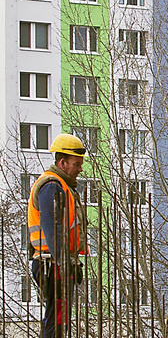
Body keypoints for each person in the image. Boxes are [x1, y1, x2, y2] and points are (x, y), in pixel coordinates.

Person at [28, 133, 88, 338]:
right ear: (62, 163)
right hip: (52, 264)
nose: (80, 169)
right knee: (58, 320)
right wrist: (65, 264)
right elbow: (53, 229)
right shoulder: (52, 186)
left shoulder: (61, 186)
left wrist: (73, 263)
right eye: (76, 164)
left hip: (56, 263)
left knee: (58, 318)